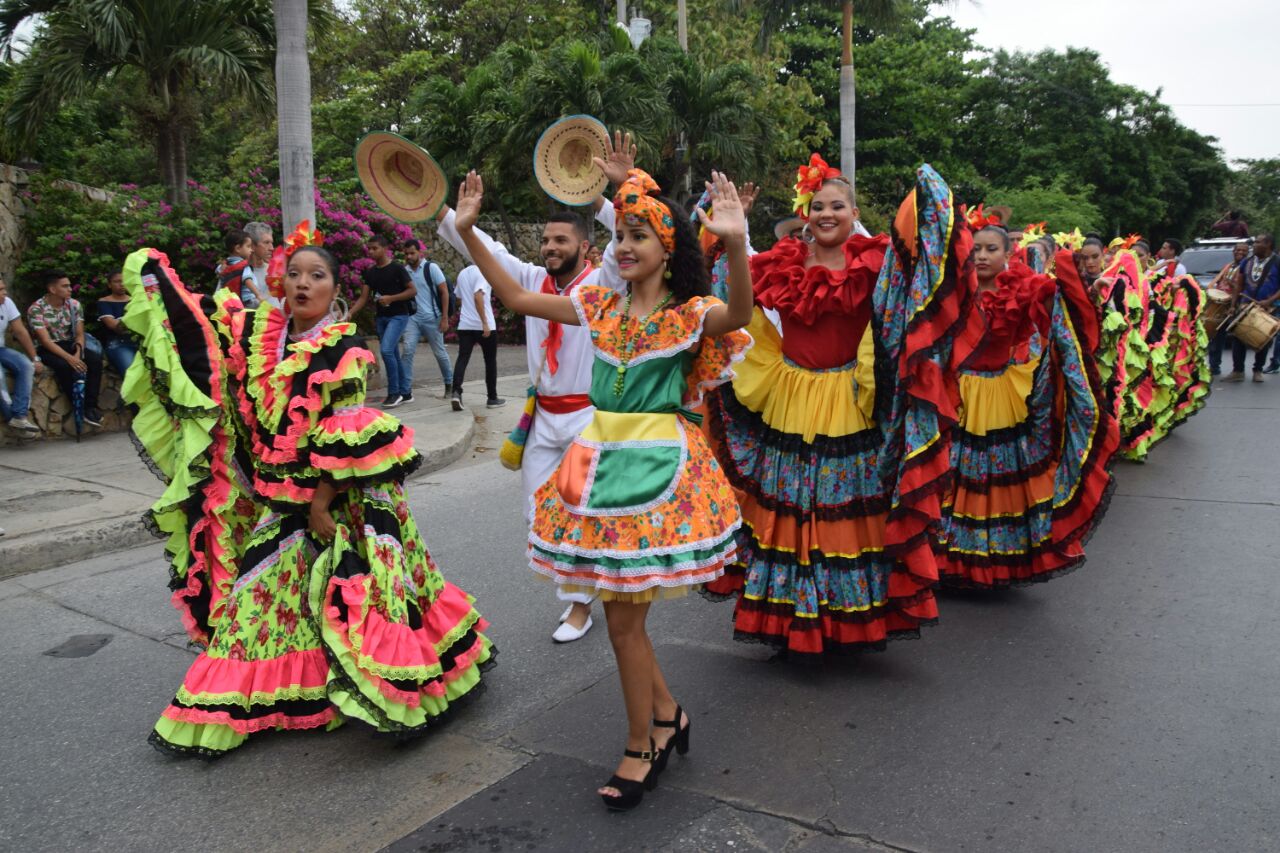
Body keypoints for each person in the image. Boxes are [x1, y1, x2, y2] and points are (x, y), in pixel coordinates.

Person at [120, 228, 494, 757]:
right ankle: (239, 701)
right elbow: (208, 335)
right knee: (259, 602)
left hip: (341, 499)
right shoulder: (264, 338)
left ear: (335, 291)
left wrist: (321, 503)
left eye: (316, 276)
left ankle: (392, 683)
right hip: (283, 497)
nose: (302, 284)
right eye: (294, 274)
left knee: (364, 598)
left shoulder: (341, 348)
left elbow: (348, 436)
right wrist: (159, 285)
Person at [455, 166, 752, 811]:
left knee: (622, 625)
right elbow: (519, 298)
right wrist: (468, 231)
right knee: (624, 622)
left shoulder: (690, 313)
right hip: (596, 471)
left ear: (667, 250)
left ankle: (642, 745)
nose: (624, 245)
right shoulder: (599, 306)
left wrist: (734, 242)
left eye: (639, 235)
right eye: (620, 235)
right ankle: (666, 717)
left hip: (657, 477)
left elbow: (740, 313)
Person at [703, 157, 973, 657]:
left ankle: (843, 623)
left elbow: (922, 282)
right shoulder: (781, 262)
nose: (826, 214)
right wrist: (733, 235)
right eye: (817, 206)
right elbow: (730, 290)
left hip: (851, 400)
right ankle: (790, 621)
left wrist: (926, 197)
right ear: (805, 213)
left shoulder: (876, 262)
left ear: (854, 213)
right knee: (788, 508)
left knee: (844, 511)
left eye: (837, 206)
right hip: (789, 400)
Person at [429, 130, 633, 643]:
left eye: (560, 241)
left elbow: (632, 234)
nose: (550, 248)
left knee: (579, 510)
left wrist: (612, 193)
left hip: (588, 420)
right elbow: (479, 246)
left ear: (585, 246)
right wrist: (434, 203)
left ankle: (579, 606)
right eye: (545, 241)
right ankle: (582, 589)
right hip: (541, 420)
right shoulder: (528, 279)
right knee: (537, 514)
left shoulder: (604, 283)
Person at [935, 221, 1117, 587]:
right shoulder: (953, 289)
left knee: (998, 475)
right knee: (952, 474)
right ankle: (946, 560)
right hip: (958, 393)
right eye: (975, 249)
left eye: (991, 249)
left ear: (1008, 253)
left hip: (1003, 395)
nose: (981, 256)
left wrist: (1077, 285)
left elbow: (1061, 319)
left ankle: (995, 561)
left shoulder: (1024, 288)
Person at [27, 269, 103, 427]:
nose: (70, 289)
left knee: (94, 360)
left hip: (70, 343)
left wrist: (78, 353)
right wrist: (70, 359)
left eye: (69, 285)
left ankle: (90, 406)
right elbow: (45, 341)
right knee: (64, 366)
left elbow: (80, 334)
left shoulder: (74, 305)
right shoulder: (36, 309)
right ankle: (79, 406)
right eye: (65, 286)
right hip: (48, 348)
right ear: (52, 289)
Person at [350, 234, 417, 408]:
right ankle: (406, 392)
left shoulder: (397, 268)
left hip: (399, 315)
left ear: (385, 249)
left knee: (386, 351)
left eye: (375, 248)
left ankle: (394, 393)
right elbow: (363, 298)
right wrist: (349, 313)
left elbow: (412, 291)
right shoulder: (370, 273)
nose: (371, 252)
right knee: (392, 353)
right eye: (369, 249)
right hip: (382, 318)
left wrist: (391, 298)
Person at [401, 239, 454, 397]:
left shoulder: (431, 268)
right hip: (412, 319)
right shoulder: (405, 271)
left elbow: (444, 292)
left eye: (412, 253)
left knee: (439, 352)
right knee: (407, 351)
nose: (409, 256)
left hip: (433, 317)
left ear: (420, 252)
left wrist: (444, 318)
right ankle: (405, 390)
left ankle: (449, 384)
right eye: (406, 254)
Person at [1226, 233, 1279, 382]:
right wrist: (1233, 305)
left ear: (1268, 245)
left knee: (1263, 339)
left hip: (1267, 307)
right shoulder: (1247, 261)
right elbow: (1239, 285)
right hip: (1246, 304)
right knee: (1238, 337)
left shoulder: (1277, 262)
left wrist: (1269, 300)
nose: (1254, 245)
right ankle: (1238, 371)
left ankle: (1258, 370)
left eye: (1258, 242)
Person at [450, 265, 503, 410]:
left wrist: (468, 310)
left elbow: (458, 297)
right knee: (490, 361)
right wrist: (484, 322)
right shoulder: (483, 271)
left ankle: (456, 392)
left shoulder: (463, 273)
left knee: (462, 358)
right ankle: (492, 398)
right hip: (484, 326)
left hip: (465, 325)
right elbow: (478, 296)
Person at [0, 275, 43, 435]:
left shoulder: (7, 303)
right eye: (0, 290)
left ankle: (20, 416)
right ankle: (13, 418)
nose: (5, 292)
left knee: (25, 365)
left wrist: (35, 358)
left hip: (1, 349)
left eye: (4, 288)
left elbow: (20, 331)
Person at [1207, 241, 1249, 375]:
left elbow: (1242, 286)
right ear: (1233, 251)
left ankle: (1238, 369)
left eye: (1243, 251)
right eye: (1238, 250)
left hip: (1237, 305)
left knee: (1238, 339)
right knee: (1217, 335)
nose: (1240, 252)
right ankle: (1214, 366)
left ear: (1248, 253)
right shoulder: (1229, 266)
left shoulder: (1247, 267)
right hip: (1222, 305)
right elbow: (1218, 281)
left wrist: (1233, 302)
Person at [95, 271, 137, 377]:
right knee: (130, 374)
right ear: (109, 285)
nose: (122, 284)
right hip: (118, 344)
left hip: (141, 342)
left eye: (124, 281)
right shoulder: (104, 302)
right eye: (117, 281)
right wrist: (134, 321)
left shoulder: (135, 300)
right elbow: (114, 326)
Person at [217, 229, 263, 305]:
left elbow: (219, 274)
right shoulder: (244, 266)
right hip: (248, 301)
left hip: (232, 302)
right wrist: (258, 295)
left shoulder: (224, 266)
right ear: (238, 248)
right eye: (248, 246)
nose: (251, 250)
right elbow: (247, 281)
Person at [243, 221, 275, 308]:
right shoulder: (235, 272)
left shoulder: (276, 271)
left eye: (271, 243)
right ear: (252, 245)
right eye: (266, 243)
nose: (272, 248)